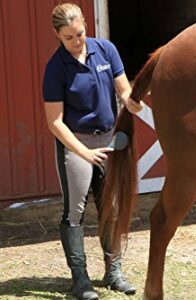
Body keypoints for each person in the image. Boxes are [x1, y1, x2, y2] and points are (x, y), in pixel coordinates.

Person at [42, 3, 143, 300]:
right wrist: (84, 153)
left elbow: (123, 90)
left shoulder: (106, 50)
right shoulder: (55, 68)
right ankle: (80, 280)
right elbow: (54, 122)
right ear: (58, 36)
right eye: (69, 38)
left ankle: (114, 273)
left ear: (86, 25)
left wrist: (131, 102)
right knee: (75, 213)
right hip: (76, 144)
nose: (76, 42)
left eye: (80, 34)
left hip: (109, 142)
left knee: (110, 207)